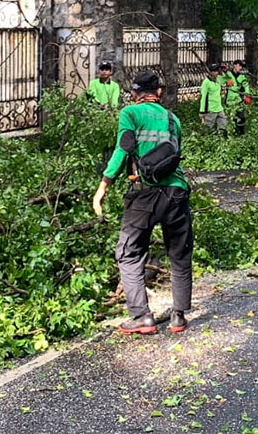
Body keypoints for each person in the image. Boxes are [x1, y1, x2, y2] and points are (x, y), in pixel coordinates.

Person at [92, 70, 192, 335]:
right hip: (176, 192)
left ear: (134, 94)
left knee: (129, 252)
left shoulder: (130, 114)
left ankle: (141, 316)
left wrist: (103, 185)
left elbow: (122, 149)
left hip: (144, 193)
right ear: (159, 92)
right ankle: (178, 316)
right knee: (179, 254)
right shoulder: (173, 119)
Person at [222, 60, 251, 136]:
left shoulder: (242, 77)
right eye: (239, 65)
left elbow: (246, 86)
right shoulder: (228, 74)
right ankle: (229, 135)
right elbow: (221, 79)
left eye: (241, 66)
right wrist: (226, 81)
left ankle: (241, 134)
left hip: (238, 101)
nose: (240, 68)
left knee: (241, 118)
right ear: (234, 65)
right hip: (229, 101)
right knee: (230, 119)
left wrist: (246, 95)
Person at [199, 63, 227, 134]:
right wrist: (202, 111)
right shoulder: (206, 83)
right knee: (207, 129)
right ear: (211, 72)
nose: (217, 73)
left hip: (219, 108)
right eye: (215, 71)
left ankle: (221, 140)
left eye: (217, 71)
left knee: (223, 126)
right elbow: (203, 97)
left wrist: (226, 71)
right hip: (210, 110)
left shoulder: (218, 80)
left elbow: (228, 79)